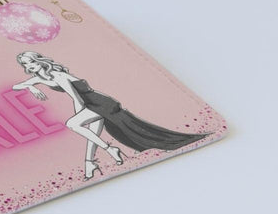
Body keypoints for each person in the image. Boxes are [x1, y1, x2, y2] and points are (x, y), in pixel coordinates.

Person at [11, 51, 206, 180]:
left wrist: (78, 116)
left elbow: (76, 98)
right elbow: (16, 85)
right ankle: (90, 164)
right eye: (24, 64)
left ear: (38, 61)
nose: (28, 67)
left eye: (29, 62)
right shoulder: (41, 77)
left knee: (73, 124)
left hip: (99, 103)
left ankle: (111, 150)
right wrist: (31, 87)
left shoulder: (59, 76)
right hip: (92, 104)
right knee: (91, 139)